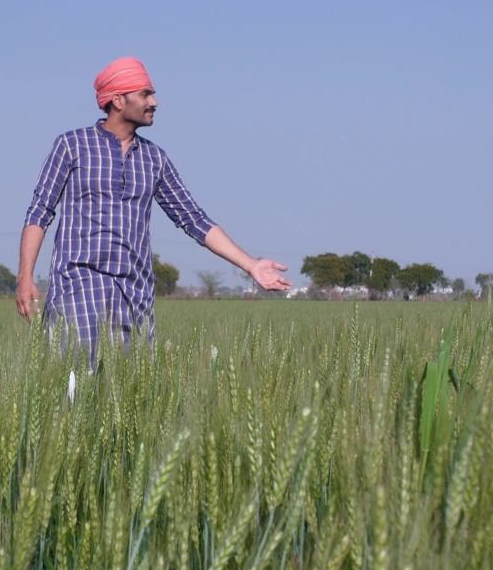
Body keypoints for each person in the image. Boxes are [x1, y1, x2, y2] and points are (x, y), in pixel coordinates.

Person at [17, 56, 290, 354]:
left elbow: (193, 219)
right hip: (78, 288)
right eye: (145, 94)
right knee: (77, 392)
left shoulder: (154, 159)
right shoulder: (71, 146)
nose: (155, 102)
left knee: (129, 396)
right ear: (118, 100)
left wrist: (251, 264)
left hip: (135, 296)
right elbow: (40, 212)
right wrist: (25, 277)